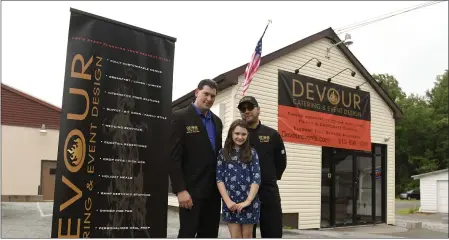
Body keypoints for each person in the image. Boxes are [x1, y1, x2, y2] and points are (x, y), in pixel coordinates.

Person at [169, 79, 223, 238]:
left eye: (213, 96)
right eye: (206, 94)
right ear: (196, 92)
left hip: (213, 192)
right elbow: (173, 157)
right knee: (188, 232)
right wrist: (180, 190)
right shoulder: (180, 117)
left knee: (210, 234)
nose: (209, 99)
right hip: (191, 191)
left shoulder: (217, 122)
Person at [237, 96, 287, 238]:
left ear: (258, 110)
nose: (246, 111)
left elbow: (281, 162)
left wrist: (269, 178)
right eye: (243, 109)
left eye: (250, 107)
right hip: (244, 193)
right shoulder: (238, 136)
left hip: (268, 193)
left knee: (273, 233)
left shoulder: (272, 134)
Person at [216, 119, 261, 238]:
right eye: (237, 133)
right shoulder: (223, 153)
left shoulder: (252, 153)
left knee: (247, 236)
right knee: (235, 237)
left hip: (249, 203)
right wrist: (228, 201)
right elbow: (219, 179)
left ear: (247, 135)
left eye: (243, 134)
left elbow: (256, 178)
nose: (240, 137)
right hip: (231, 203)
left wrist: (248, 201)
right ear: (231, 133)